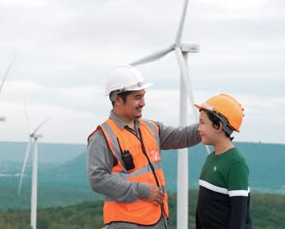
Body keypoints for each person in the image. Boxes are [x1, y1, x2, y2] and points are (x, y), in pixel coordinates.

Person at [87, 64, 202, 229]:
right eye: (137, 97)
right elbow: (97, 179)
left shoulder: (151, 128)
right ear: (118, 99)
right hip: (126, 223)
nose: (143, 103)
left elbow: (183, 136)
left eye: (143, 96)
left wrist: (210, 120)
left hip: (157, 220)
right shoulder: (102, 137)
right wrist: (142, 190)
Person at [194, 93, 252, 229]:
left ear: (218, 126)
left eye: (202, 123)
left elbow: (239, 216)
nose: (198, 128)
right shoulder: (211, 158)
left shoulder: (236, 163)